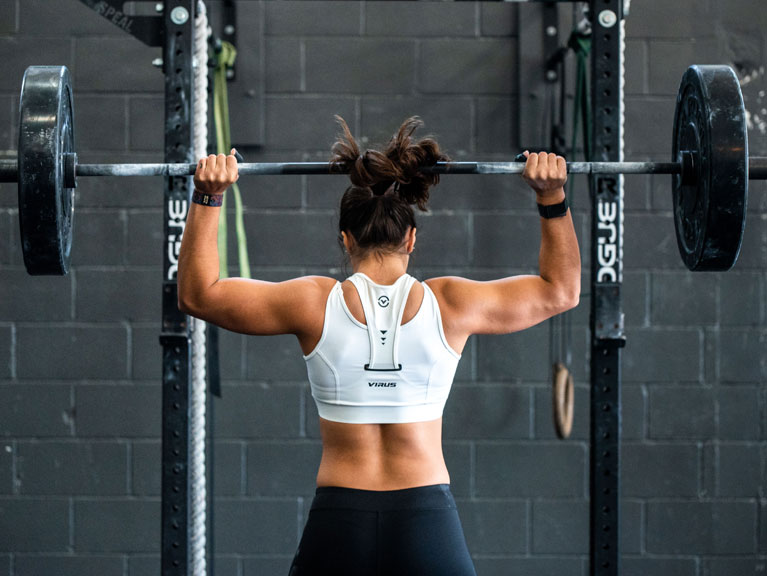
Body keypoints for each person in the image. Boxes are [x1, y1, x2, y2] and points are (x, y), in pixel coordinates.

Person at [178, 117, 580, 576]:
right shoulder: (451, 303)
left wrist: (209, 196)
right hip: (427, 521)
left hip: (338, 523)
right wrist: (552, 198)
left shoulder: (313, 303)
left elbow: (198, 294)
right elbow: (560, 291)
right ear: (411, 238)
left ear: (345, 239)